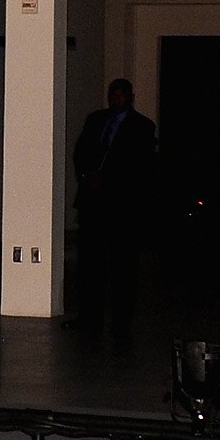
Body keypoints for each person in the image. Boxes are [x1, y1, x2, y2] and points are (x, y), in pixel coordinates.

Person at [71, 78, 158, 340]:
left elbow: (138, 166)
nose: (115, 100)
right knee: (90, 266)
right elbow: (80, 152)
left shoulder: (142, 126)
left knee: (123, 268)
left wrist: (106, 179)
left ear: (130, 97)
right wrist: (88, 176)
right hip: (93, 205)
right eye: (112, 95)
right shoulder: (95, 120)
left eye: (120, 96)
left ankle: (121, 323)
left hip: (122, 208)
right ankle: (89, 318)